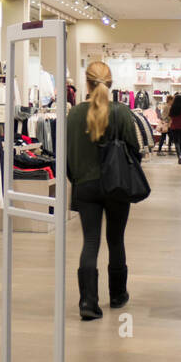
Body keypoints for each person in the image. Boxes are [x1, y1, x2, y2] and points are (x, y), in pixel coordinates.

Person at [66, 61, 140, 320]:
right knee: (116, 239)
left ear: (86, 83)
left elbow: (68, 156)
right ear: (111, 83)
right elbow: (134, 151)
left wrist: (77, 179)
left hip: (85, 185)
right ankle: (118, 295)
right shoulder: (121, 112)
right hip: (117, 184)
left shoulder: (74, 115)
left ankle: (88, 301)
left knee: (90, 241)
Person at [167, 92, 181, 164]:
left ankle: (179, 155)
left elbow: (170, 118)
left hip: (174, 127)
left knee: (176, 142)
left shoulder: (172, 109)